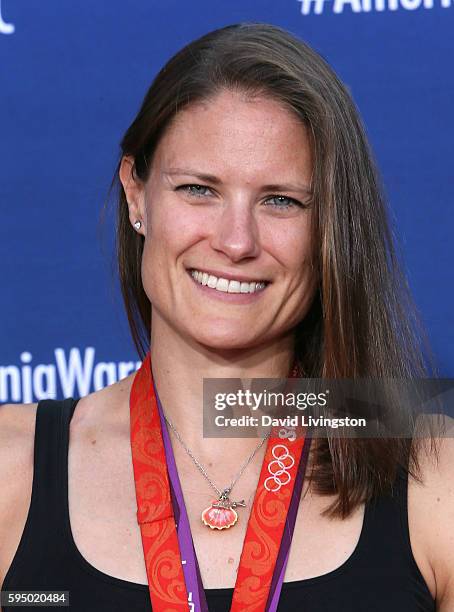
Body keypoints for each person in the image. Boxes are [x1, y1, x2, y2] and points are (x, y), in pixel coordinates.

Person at [0, 22, 453, 612]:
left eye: (281, 200)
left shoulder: (434, 478)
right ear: (137, 196)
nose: (236, 241)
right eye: (198, 189)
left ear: (333, 228)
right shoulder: (10, 467)